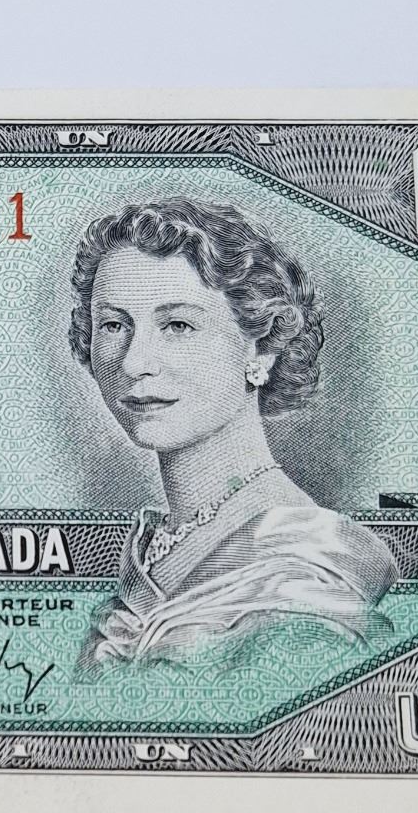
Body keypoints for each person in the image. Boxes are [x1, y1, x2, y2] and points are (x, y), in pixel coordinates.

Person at [68, 197, 396, 668]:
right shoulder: (153, 547)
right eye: (114, 325)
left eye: (177, 325)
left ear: (262, 347)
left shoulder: (301, 576)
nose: (134, 362)